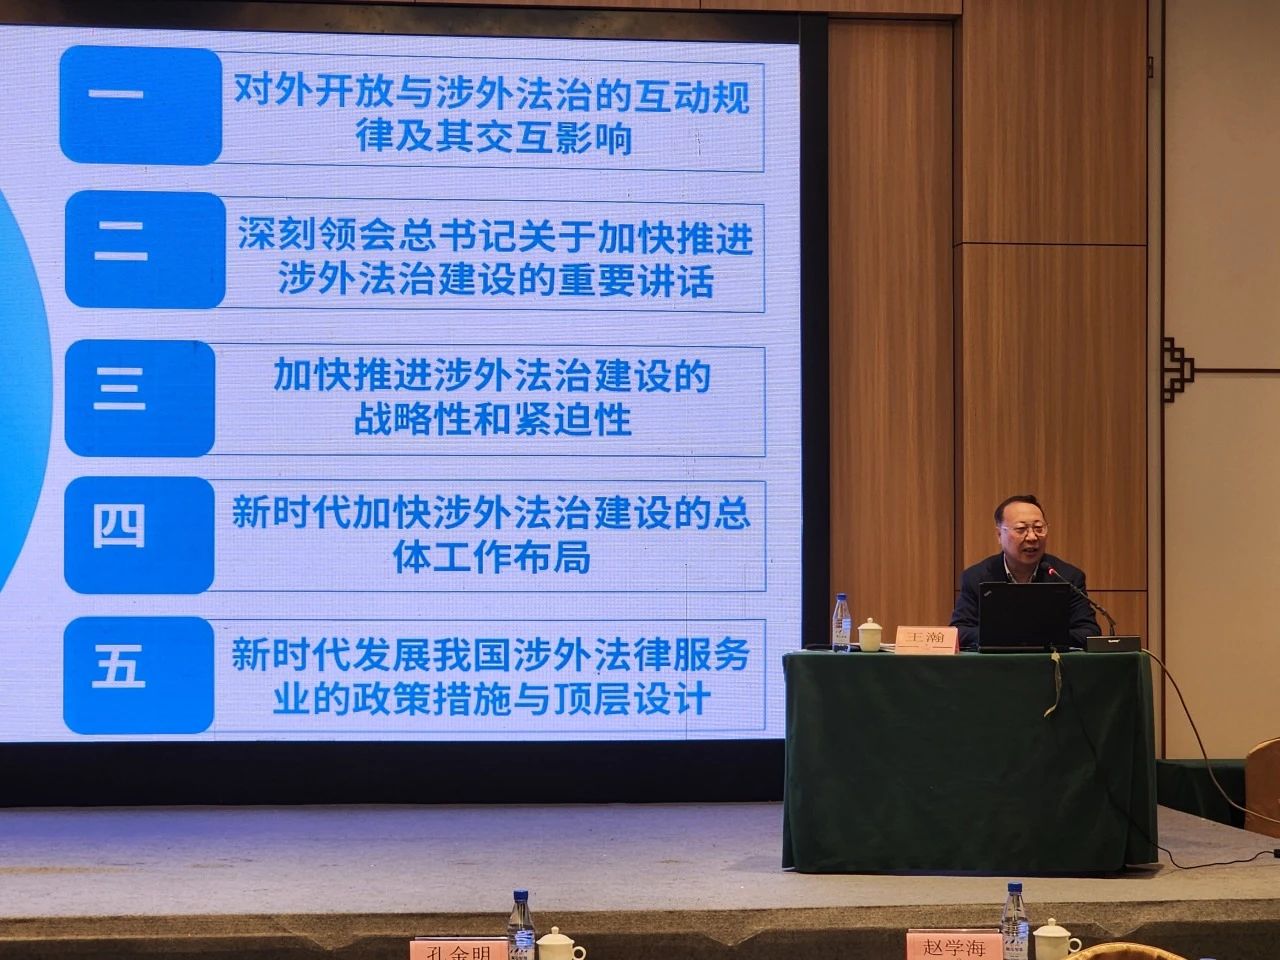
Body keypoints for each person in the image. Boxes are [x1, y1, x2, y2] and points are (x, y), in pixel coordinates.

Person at [950, 494, 1100, 650]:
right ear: (999, 535)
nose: (1032, 537)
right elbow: (959, 631)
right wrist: (1009, 636)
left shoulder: (1067, 577)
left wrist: (1036, 637)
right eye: (1021, 529)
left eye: (1039, 528)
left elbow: (1089, 632)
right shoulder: (976, 577)